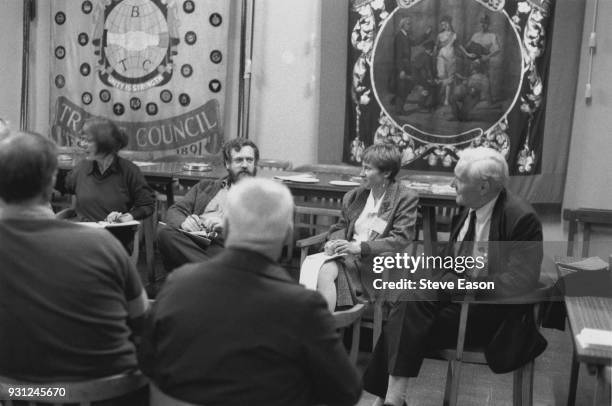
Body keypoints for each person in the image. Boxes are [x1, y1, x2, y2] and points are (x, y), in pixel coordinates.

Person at [139, 178, 362, 406]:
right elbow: (346, 392)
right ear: (287, 235)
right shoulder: (304, 307)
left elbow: (145, 364)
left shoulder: (177, 285)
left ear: (225, 226)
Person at [362, 147, 543, 406]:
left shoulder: (522, 218)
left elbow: (519, 282)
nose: (451, 184)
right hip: (454, 305)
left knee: (404, 313)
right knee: (406, 306)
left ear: (484, 187)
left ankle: (387, 400)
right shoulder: (467, 207)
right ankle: (392, 400)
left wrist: (458, 285)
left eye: (459, 179)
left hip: (490, 315)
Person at [0, 132, 148, 405]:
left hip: (17, 395)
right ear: (50, 181)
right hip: (112, 395)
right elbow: (143, 324)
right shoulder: (104, 244)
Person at [310, 142, 418, 312]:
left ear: (386, 173)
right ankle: (327, 327)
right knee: (317, 269)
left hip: (376, 265)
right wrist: (334, 242)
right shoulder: (354, 196)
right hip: (346, 258)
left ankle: (324, 328)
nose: (361, 174)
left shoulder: (404, 197)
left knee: (322, 274)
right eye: (362, 167)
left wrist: (359, 247)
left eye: (367, 169)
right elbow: (341, 226)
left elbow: (400, 239)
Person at [156, 137, 259, 271]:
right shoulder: (206, 187)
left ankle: (211, 275)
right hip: (197, 244)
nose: (245, 165)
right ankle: (218, 274)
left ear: (255, 163)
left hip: (229, 247)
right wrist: (184, 222)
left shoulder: (264, 195)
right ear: (227, 164)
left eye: (249, 160)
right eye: (239, 160)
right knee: (165, 233)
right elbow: (175, 211)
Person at [64, 117, 155, 223]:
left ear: (104, 143)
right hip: (83, 234)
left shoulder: (129, 171)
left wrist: (128, 216)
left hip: (114, 235)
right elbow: (63, 186)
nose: (82, 145)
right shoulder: (81, 168)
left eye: (87, 140)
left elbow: (147, 205)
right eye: (82, 139)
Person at [389, 16, 432, 112]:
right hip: (402, 67)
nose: (410, 26)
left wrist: (426, 34)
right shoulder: (399, 37)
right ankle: (399, 109)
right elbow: (398, 55)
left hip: (407, 66)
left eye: (410, 24)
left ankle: (397, 103)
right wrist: (401, 70)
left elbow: (415, 42)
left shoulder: (405, 36)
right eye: (408, 24)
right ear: (402, 25)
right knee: (403, 87)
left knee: (408, 86)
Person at [459, 13, 501, 103]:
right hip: (472, 60)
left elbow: (497, 49)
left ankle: (488, 99)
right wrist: (467, 54)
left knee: (485, 78)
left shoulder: (492, 36)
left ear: (488, 24)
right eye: (481, 23)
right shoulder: (475, 35)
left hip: (483, 60)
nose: (483, 25)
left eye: (485, 23)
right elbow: (467, 47)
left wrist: (487, 56)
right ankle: (469, 98)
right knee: (470, 78)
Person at [435, 15, 457, 106]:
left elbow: (459, 46)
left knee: (449, 79)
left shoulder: (454, 35)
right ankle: (440, 97)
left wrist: (467, 54)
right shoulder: (440, 35)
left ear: (449, 23)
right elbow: (436, 46)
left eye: (445, 24)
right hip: (441, 57)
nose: (444, 26)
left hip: (451, 57)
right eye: (442, 25)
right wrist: (434, 52)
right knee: (442, 77)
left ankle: (446, 99)